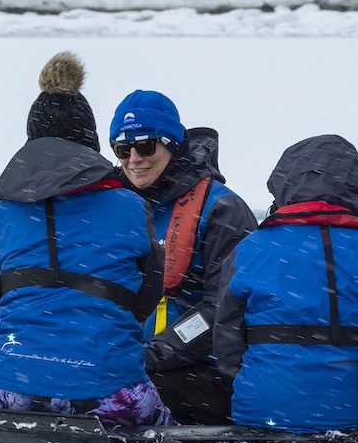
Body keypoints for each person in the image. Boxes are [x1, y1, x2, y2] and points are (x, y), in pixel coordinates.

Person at [0, 54, 167, 427]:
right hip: (107, 392)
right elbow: (146, 298)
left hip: (14, 390)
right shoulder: (132, 208)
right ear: (91, 141)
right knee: (162, 421)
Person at [212, 135, 358, 433]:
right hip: (353, 413)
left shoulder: (248, 251)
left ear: (283, 186)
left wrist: (254, 384)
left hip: (262, 409)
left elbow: (226, 339)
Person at [106, 87, 255, 425]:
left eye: (145, 146)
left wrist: (151, 356)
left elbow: (224, 307)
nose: (134, 159)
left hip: (202, 371)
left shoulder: (222, 209)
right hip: (127, 362)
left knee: (113, 396)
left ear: (172, 144)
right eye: (122, 149)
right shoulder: (110, 208)